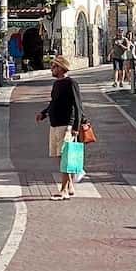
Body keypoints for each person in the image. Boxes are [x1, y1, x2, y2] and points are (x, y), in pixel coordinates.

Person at [37, 54, 84, 199]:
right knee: (58, 155)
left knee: (66, 157)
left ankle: (63, 189)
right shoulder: (56, 84)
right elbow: (54, 102)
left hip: (66, 125)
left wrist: (76, 126)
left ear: (62, 68)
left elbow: (78, 106)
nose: (52, 69)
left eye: (55, 66)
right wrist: (44, 114)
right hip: (55, 124)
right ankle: (70, 184)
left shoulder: (71, 83)